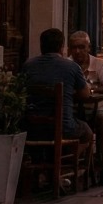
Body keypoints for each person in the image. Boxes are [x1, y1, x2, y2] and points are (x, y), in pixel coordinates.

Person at [24, 28, 95, 183]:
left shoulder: (28, 66)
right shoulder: (71, 67)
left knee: (48, 135)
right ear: (62, 47)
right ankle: (64, 166)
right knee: (87, 133)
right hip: (63, 127)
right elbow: (85, 95)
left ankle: (46, 170)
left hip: (33, 127)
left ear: (41, 46)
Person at [67, 31, 103, 183]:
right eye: (74, 48)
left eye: (81, 47)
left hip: (97, 109)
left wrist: (91, 90)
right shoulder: (67, 65)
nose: (77, 51)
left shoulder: (100, 64)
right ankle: (69, 167)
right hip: (73, 111)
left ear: (89, 47)